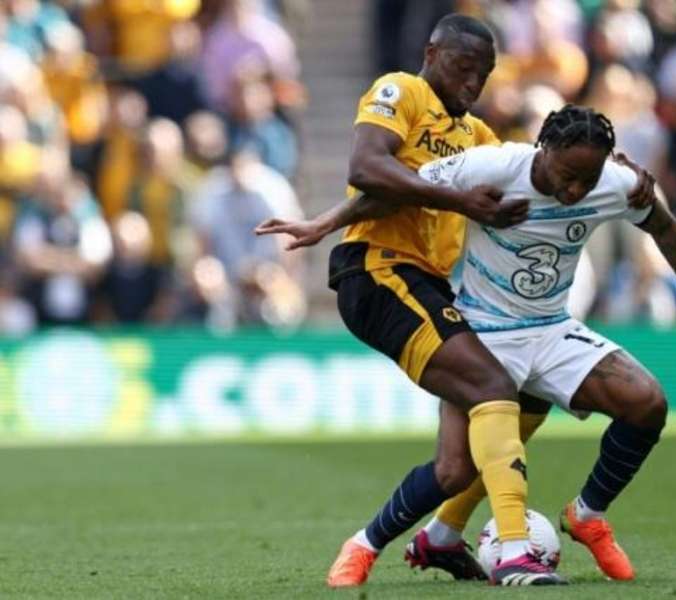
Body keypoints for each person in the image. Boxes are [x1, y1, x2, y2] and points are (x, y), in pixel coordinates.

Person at [260, 13, 652, 588]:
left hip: (436, 288)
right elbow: (370, 170)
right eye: (464, 67)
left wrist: (611, 168)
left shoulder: (480, 141)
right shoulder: (402, 91)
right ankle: (515, 548)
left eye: (484, 73)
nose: (473, 82)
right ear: (432, 52)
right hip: (379, 271)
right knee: (496, 386)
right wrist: (331, 222)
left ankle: (398, 543)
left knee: (459, 462)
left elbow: (542, 164)